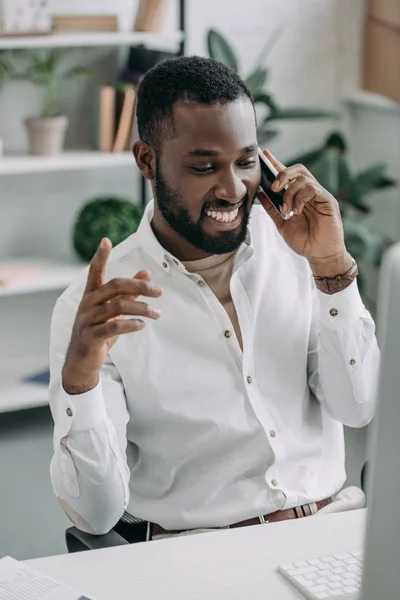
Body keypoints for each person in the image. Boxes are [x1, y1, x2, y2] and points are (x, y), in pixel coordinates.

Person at [49, 56, 380, 543]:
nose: (232, 188)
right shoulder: (93, 308)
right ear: (147, 161)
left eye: (246, 161)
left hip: (331, 529)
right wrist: (80, 379)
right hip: (201, 556)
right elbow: (95, 517)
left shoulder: (299, 254)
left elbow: (358, 407)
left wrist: (332, 270)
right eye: (204, 166)